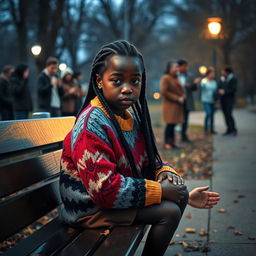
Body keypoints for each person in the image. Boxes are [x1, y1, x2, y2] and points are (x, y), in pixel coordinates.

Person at [59, 40, 220, 256]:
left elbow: (148, 162)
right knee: (169, 212)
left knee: (177, 199)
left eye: (135, 81)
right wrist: (162, 191)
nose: (127, 89)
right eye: (116, 81)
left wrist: (170, 179)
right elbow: (104, 190)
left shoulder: (130, 116)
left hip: (108, 202)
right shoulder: (92, 124)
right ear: (99, 81)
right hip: (87, 209)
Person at [160, 61, 185, 149]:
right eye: (175, 67)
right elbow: (164, 92)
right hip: (170, 106)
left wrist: (183, 95)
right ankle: (167, 143)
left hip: (177, 106)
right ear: (169, 68)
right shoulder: (166, 78)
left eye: (177, 67)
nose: (177, 69)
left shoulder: (176, 77)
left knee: (173, 125)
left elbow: (180, 90)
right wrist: (177, 98)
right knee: (169, 125)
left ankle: (172, 143)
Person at [177, 59, 199, 143]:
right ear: (179, 66)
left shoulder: (190, 76)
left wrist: (194, 84)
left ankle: (183, 136)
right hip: (177, 101)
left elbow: (194, 89)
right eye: (184, 66)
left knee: (185, 119)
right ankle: (172, 138)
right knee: (175, 119)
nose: (186, 68)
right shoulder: (174, 75)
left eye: (187, 66)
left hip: (187, 101)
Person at [219, 66, 237, 136]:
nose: (221, 72)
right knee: (225, 115)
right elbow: (219, 87)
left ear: (227, 72)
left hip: (230, 100)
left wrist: (225, 92)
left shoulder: (233, 78)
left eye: (223, 71)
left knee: (229, 114)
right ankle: (229, 129)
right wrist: (219, 91)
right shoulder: (222, 79)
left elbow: (234, 89)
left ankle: (234, 129)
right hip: (223, 99)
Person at [200, 67, 218, 134]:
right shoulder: (204, 81)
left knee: (212, 115)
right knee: (208, 113)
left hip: (212, 101)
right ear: (208, 74)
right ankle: (206, 129)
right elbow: (201, 87)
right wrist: (202, 83)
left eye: (213, 73)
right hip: (206, 100)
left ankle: (212, 129)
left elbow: (216, 92)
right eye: (211, 73)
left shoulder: (214, 82)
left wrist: (216, 101)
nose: (213, 75)